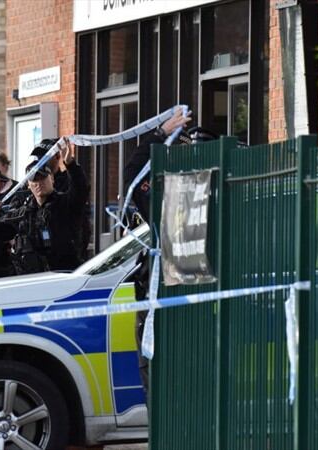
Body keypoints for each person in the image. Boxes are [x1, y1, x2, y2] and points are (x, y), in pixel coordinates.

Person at [122, 107, 193, 393]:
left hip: (168, 292)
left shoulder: (165, 196)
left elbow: (131, 177)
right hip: (170, 290)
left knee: (157, 373)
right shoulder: (197, 192)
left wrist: (159, 134)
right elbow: (132, 180)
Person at [0, 138, 89, 274]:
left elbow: (81, 190)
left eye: (42, 178)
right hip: (33, 279)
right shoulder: (24, 211)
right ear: (28, 185)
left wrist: (70, 164)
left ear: (52, 178)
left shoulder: (65, 203)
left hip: (64, 276)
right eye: (34, 180)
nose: (38, 183)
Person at [15, 138, 92, 262]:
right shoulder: (28, 188)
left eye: (45, 156)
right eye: (38, 157)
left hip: (63, 259)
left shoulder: (69, 181)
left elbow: (80, 195)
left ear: (57, 156)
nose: (40, 160)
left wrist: (70, 164)